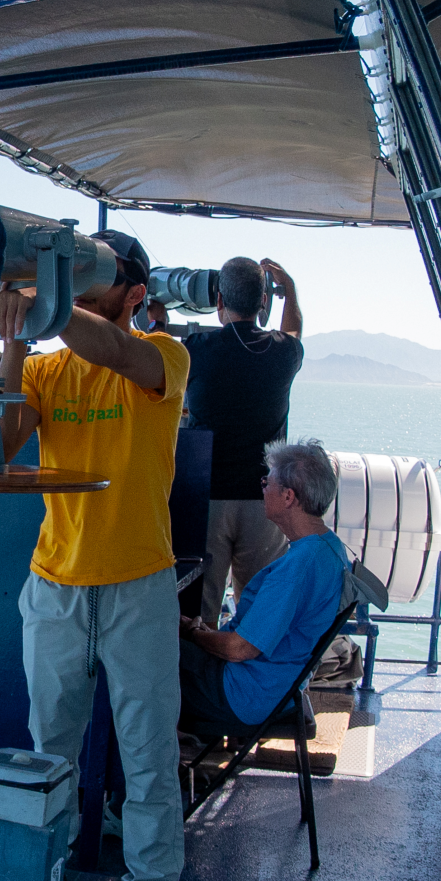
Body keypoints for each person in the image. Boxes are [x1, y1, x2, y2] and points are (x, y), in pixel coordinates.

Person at [0, 230, 193, 881]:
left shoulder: (164, 357)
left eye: (91, 274)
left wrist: (40, 303)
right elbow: (9, 440)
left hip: (138, 585)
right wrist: (15, 340)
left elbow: (113, 352)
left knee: (146, 753)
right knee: (53, 749)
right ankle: (47, 878)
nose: (73, 285)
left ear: (134, 294)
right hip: (56, 585)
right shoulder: (45, 370)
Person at [178, 439, 351, 742]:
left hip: (243, 696)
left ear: (288, 496)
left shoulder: (297, 568)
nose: (262, 490)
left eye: (266, 482)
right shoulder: (328, 548)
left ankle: (146, 774)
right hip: (275, 687)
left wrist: (194, 633)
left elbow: (240, 649)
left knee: (139, 652)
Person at [182, 256, 304, 632]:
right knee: (257, 608)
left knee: (199, 613)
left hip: (207, 499)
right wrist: (292, 293)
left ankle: (198, 686)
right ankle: (245, 684)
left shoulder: (195, 349)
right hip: (264, 498)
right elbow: (294, 330)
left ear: (219, 301)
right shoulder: (284, 352)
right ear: (263, 305)